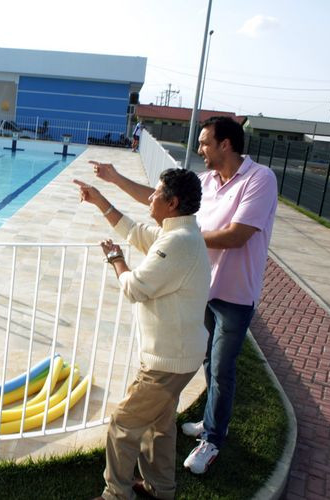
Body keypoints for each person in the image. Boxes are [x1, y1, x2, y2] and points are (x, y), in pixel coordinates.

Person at [90, 115, 278, 475]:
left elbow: (237, 235)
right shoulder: (205, 183)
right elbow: (162, 203)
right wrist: (114, 181)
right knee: (205, 363)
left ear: (226, 144)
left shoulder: (259, 179)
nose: (199, 149)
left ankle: (212, 438)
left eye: (205, 142)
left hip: (235, 292)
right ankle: (195, 440)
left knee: (222, 368)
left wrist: (182, 237)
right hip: (201, 287)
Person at [74, 167, 210, 500]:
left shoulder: (179, 242)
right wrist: (100, 200)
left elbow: (134, 288)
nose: (149, 196)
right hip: (181, 356)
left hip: (168, 362)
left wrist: (115, 259)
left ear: (172, 202)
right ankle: (160, 489)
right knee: (160, 425)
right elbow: (134, 231)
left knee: (123, 422)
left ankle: (116, 494)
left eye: (156, 193)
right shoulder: (179, 233)